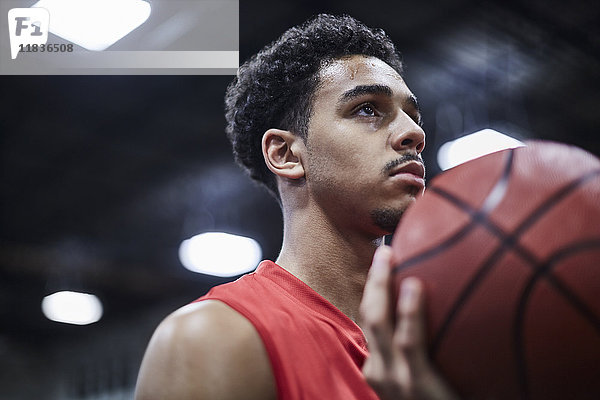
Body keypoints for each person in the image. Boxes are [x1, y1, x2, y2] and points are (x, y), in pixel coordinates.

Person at [135, 14, 458, 400]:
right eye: (367, 109)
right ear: (286, 153)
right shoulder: (213, 339)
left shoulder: (447, 328)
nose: (414, 134)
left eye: (413, 115)